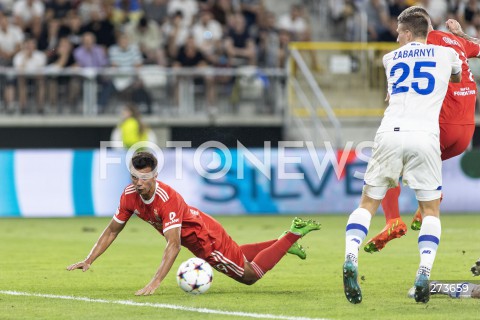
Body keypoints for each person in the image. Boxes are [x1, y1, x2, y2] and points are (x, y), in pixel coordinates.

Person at [67, 152, 320, 295]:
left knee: (249, 275)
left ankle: (291, 235)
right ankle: (282, 245)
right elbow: (112, 231)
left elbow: (173, 245)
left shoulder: (167, 200)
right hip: (201, 229)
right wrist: (89, 259)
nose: (139, 181)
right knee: (238, 255)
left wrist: (155, 282)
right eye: (135, 176)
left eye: (144, 177)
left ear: (155, 175)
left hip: (204, 239)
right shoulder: (128, 195)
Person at [342, 11, 462, 304]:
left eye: (399, 32)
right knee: (430, 210)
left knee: (367, 204)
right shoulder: (447, 54)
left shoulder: (390, 59)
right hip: (424, 136)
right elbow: (457, 78)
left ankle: (350, 257)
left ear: (408, 33)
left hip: (389, 133)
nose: (396, 37)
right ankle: (423, 271)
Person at [364, 8, 480, 253]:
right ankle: (431, 200)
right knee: (422, 168)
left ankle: (393, 220)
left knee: (392, 163)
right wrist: (463, 35)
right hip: (466, 131)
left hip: (443, 125)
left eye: (401, 32)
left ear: (413, 30)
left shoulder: (428, 44)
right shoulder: (454, 42)